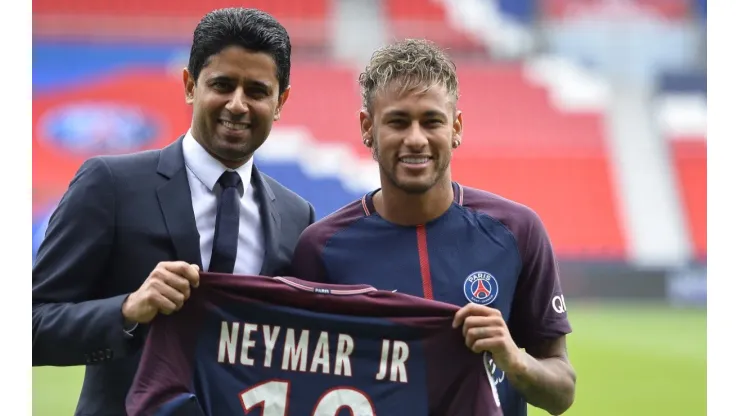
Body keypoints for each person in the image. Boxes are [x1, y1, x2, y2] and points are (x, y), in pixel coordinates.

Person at [32, 7, 315, 415]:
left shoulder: (296, 216)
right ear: (189, 85)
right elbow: (32, 326)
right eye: (222, 84)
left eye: (256, 90)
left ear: (280, 101)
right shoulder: (110, 185)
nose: (237, 105)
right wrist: (128, 310)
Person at [290, 39, 576, 416]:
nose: (415, 138)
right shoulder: (321, 248)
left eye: (431, 121)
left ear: (455, 127)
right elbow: (300, 385)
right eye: (397, 121)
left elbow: (562, 393)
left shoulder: (517, 231)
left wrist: (514, 360)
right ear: (367, 127)